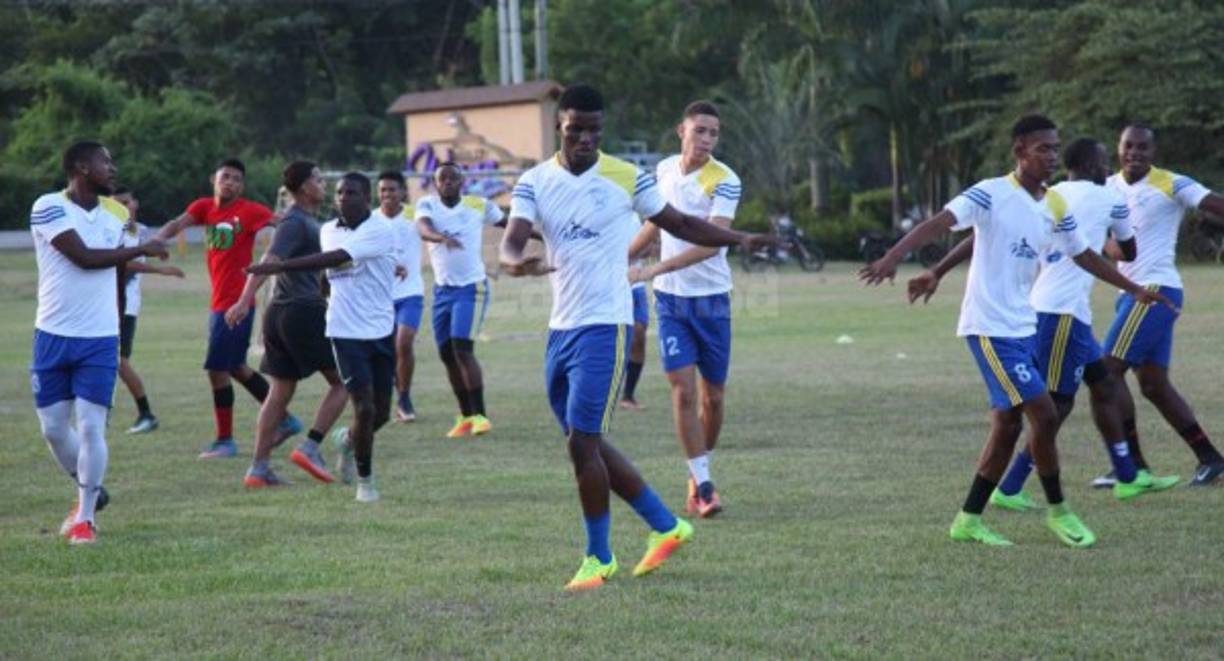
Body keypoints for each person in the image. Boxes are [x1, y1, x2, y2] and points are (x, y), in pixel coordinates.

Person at [499, 84, 776, 591]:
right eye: (575, 128)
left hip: (606, 325)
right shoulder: (534, 181)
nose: (585, 137)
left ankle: (598, 557)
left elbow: (680, 223)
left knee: (583, 442)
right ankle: (667, 526)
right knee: (586, 444)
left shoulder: (628, 176)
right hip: (560, 329)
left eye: (594, 129)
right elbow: (513, 240)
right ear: (559, 126)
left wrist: (739, 238)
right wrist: (514, 263)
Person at [860, 115, 1172, 548]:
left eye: (1055, 148)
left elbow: (1084, 256)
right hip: (988, 328)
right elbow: (939, 222)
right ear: (1019, 151)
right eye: (1042, 148)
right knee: (1043, 413)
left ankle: (968, 520)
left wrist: (1134, 287)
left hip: (1024, 326)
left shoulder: (1054, 205)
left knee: (1008, 424)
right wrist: (898, 258)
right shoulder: (990, 192)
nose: (1051, 156)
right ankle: (1059, 511)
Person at [30, 141, 168, 544]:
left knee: (91, 427)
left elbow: (119, 270)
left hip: (100, 338)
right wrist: (143, 246)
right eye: (104, 161)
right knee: (54, 429)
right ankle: (91, 487)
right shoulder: (47, 206)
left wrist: (120, 324)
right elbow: (85, 258)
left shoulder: (120, 214)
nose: (112, 167)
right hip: (52, 335)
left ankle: (86, 517)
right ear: (80, 167)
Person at [248, 173, 397, 503]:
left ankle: (347, 440)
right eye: (340, 192)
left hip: (381, 329)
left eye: (352, 192)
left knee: (382, 413)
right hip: (344, 331)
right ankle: (366, 483)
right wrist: (323, 292)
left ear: (367, 198)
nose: (343, 197)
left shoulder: (379, 229)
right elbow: (326, 273)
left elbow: (335, 259)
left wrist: (280, 267)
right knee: (365, 406)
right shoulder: (327, 230)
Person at [627, 100, 743, 517]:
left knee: (712, 397)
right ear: (682, 131)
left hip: (712, 302)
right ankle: (705, 485)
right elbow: (655, 223)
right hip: (672, 301)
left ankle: (698, 473)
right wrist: (622, 258)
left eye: (714, 133)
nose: (707, 140)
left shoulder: (725, 181)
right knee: (683, 391)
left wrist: (655, 267)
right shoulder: (662, 171)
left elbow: (714, 242)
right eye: (701, 131)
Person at [1096, 123, 1224, 487]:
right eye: (1128, 146)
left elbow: (1215, 204)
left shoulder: (1173, 183)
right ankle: (1211, 460)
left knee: (1107, 371)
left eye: (1143, 148)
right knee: (1153, 385)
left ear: (1154, 153)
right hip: (1129, 294)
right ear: (1117, 148)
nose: (1135, 153)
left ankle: (1132, 467)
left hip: (1157, 290)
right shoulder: (1105, 187)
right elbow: (1096, 236)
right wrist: (1109, 247)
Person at [153, 159, 301, 458]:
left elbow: (283, 222)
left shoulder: (250, 210)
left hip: (237, 302)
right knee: (233, 367)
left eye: (236, 179)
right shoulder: (204, 207)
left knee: (218, 369)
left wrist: (296, 230)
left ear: (242, 186)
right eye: (225, 177)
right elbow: (176, 223)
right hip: (218, 301)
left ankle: (226, 440)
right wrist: (156, 239)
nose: (230, 182)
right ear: (214, 180)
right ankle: (285, 418)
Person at [225, 161, 350, 488]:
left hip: (280, 313)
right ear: (305, 187)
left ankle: (258, 469)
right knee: (345, 381)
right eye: (319, 179)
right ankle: (310, 447)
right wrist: (243, 300)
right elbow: (269, 261)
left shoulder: (307, 221)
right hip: (301, 311)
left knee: (280, 390)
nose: (324, 185)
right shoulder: (295, 221)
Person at [416, 163, 504, 438]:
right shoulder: (427, 205)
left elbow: (509, 225)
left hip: (471, 287)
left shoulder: (479, 205)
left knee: (462, 348)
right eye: (443, 178)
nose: (449, 182)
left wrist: (547, 237)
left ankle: (481, 416)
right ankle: (466, 416)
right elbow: (423, 229)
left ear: (462, 181)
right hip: (443, 291)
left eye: (454, 177)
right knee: (446, 354)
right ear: (435, 182)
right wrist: (440, 238)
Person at [110, 187, 185, 434]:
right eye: (116, 203)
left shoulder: (133, 229)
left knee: (119, 362)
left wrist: (160, 268)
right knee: (103, 360)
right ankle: (105, 414)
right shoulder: (113, 228)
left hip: (124, 307)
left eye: (125, 202)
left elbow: (127, 264)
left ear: (135, 203)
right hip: (103, 305)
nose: (121, 207)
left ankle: (146, 414)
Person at [372, 171, 423, 423]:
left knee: (404, 342)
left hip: (410, 293)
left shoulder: (415, 215)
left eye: (392, 190)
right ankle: (389, 393)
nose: (387, 195)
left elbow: (433, 229)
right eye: (383, 190)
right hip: (379, 296)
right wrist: (390, 265)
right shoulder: (370, 220)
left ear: (403, 192)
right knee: (386, 352)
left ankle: (404, 397)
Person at [619, 246, 652, 411]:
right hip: (610, 284)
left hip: (635, 285)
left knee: (639, 337)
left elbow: (649, 249)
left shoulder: (638, 221)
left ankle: (628, 395)